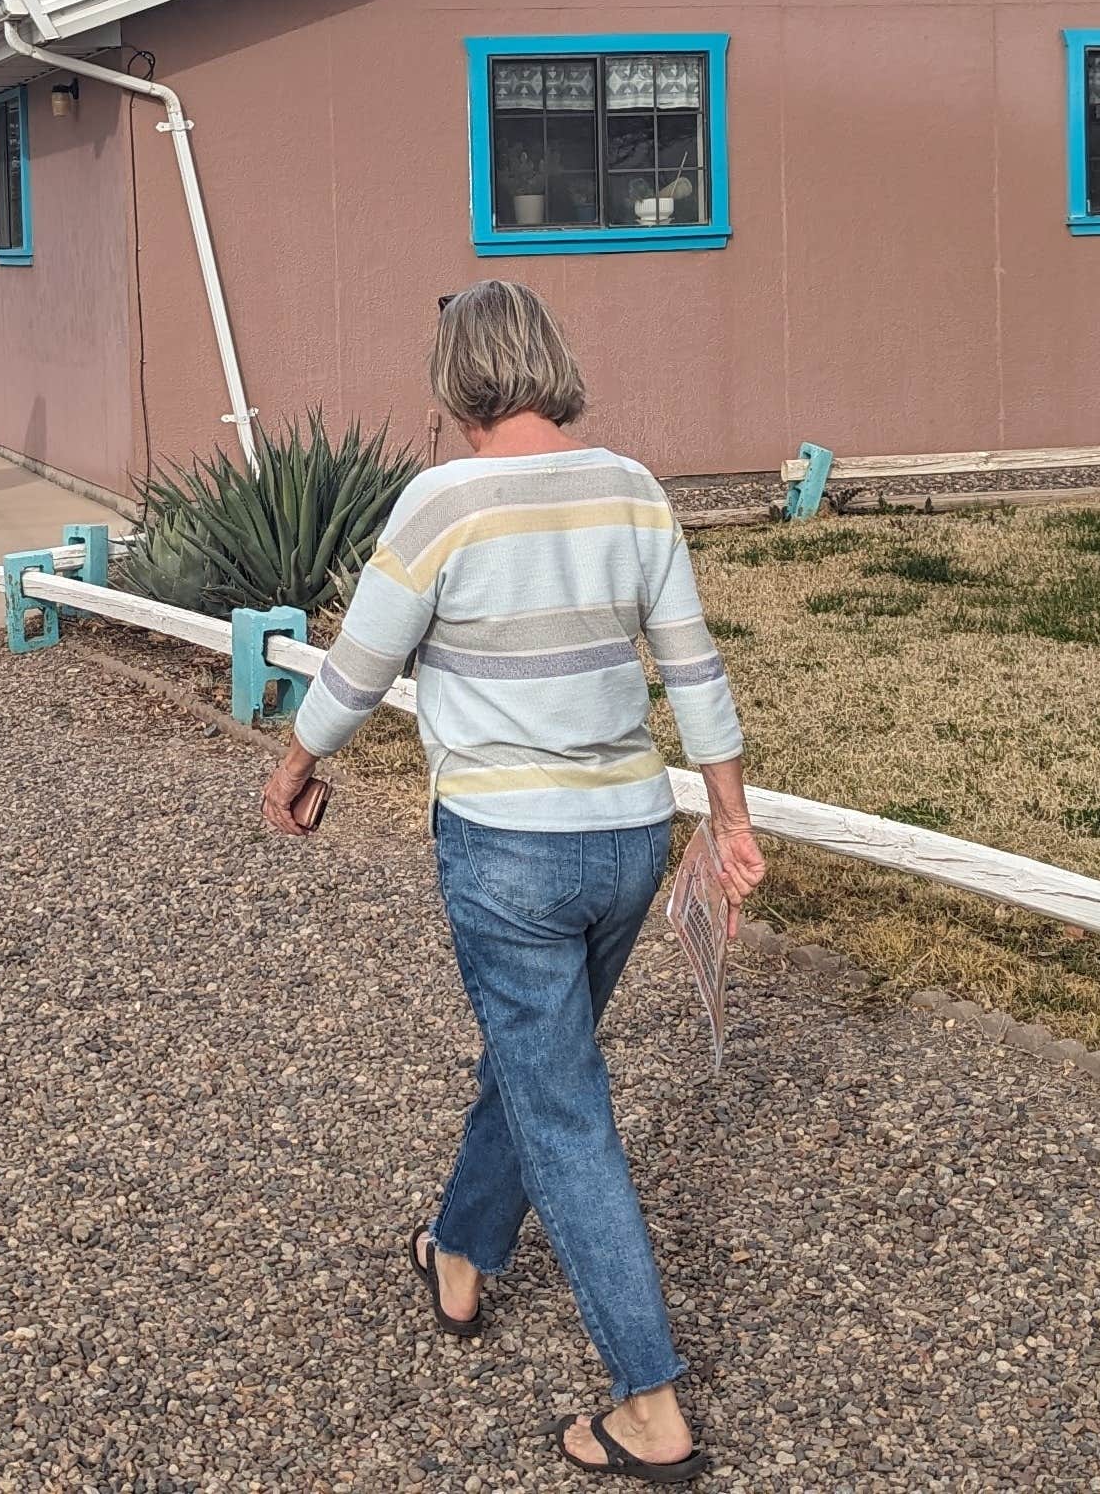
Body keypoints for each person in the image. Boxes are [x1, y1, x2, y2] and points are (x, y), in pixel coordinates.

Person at [262, 278, 768, 1484]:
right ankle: (463, 1251)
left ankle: (649, 1402)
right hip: (632, 839)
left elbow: (360, 664)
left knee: (562, 1105)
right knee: (537, 1060)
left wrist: (293, 766)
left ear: (456, 378)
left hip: (506, 851)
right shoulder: (633, 489)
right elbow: (692, 667)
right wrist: (730, 814)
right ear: (550, 361)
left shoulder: (441, 502)